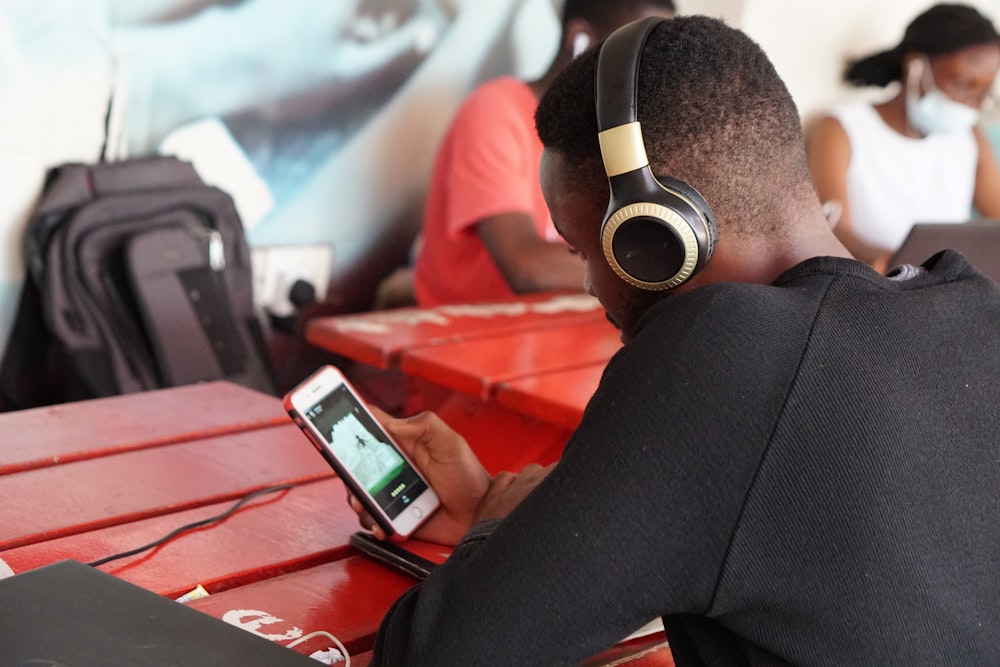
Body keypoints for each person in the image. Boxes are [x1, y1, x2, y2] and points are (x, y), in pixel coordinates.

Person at [348, 15, 1000, 666]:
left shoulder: (720, 353)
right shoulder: (973, 307)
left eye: (583, 250)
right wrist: (520, 521)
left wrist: (494, 528)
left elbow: (432, 654)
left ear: (655, 235)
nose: (588, 283)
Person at [411, 0, 677, 307]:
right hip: (463, 338)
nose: (654, 71)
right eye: (638, 54)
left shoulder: (614, 134)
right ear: (582, 39)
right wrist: (656, 270)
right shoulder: (495, 110)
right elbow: (527, 267)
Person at [807, 3, 1000, 273]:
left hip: (942, 293)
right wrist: (894, 267)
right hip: (872, 287)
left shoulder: (969, 138)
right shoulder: (842, 128)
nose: (971, 104)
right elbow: (832, 230)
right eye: (963, 84)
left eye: (983, 92)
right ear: (915, 66)